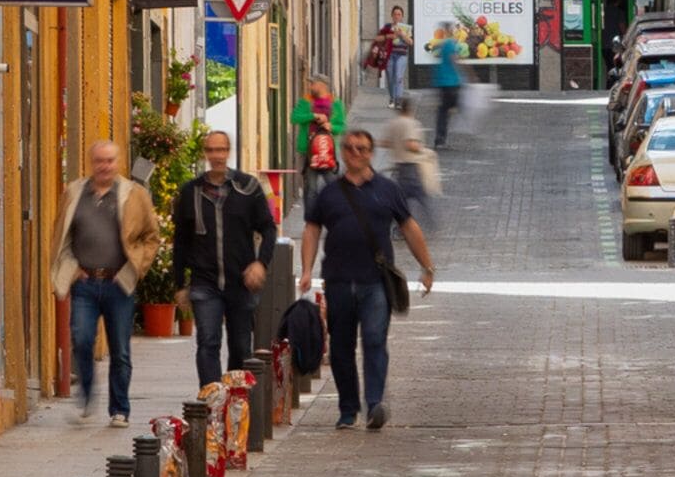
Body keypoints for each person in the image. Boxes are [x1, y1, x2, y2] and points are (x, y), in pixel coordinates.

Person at [301, 126, 434, 431]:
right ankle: (348, 409)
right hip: (338, 281)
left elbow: (410, 227)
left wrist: (427, 266)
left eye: (361, 148)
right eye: (349, 148)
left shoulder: (388, 190)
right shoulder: (329, 192)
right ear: (343, 153)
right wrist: (306, 269)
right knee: (341, 347)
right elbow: (311, 229)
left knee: (375, 341)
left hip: (375, 281)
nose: (355, 153)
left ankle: (374, 404)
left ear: (371, 153)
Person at [49, 139, 159, 427]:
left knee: (120, 349)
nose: (105, 166)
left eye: (110, 161)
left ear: (118, 162)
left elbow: (151, 236)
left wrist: (137, 268)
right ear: (91, 162)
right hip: (85, 281)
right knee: (82, 339)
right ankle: (85, 391)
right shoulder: (74, 193)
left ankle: (120, 409)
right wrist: (71, 270)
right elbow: (60, 233)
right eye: (99, 161)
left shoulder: (134, 194)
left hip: (119, 283)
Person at [171, 128, 277, 393]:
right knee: (208, 341)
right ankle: (211, 401)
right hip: (204, 282)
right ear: (205, 154)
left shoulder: (247, 188)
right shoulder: (190, 192)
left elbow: (268, 228)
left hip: (241, 281)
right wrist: (179, 284)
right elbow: (180, 241)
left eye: (221, 150)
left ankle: (235, 403)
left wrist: (260, 263)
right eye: (211, 150)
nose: (216, 156)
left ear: (229, 152)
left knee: (241, 345)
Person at [292, 76, 348, 200]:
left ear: (322, 85)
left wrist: (331, 126)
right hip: (308, 151)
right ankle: (311, 215)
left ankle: (335, 210)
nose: (310, 87)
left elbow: (342, 127)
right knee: (310, 188)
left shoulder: (336, 104)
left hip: (327, 151)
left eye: (313, 84)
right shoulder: (305, 101)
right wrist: (313, 115)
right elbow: (294, 117)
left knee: (333, 185)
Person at [425, 22, 467, 154]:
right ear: (450, 31)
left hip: (443, 82)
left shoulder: (442, 45)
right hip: (450, 83)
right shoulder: (449, 44)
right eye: (453, 30)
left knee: (444, 110)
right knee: (450, 108)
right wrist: (468, 73)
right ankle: (441, 139)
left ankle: (440, 140)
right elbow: (454, 60)